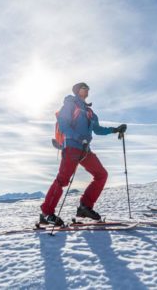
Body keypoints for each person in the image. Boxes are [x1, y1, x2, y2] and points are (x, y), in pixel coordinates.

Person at [40, 82, 127, 226]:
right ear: (76, 91)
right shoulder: (70, 104)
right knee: (62, 180)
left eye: (88, 88)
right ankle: (46, 214)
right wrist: (77, 137)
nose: (86, 90)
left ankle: (84, 207)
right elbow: (63, 124)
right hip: (72, 147)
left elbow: (98, 129)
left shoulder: (90, 112)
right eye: (83, 87)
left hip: (85, 149)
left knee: (101, 174)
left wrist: (115, 130)